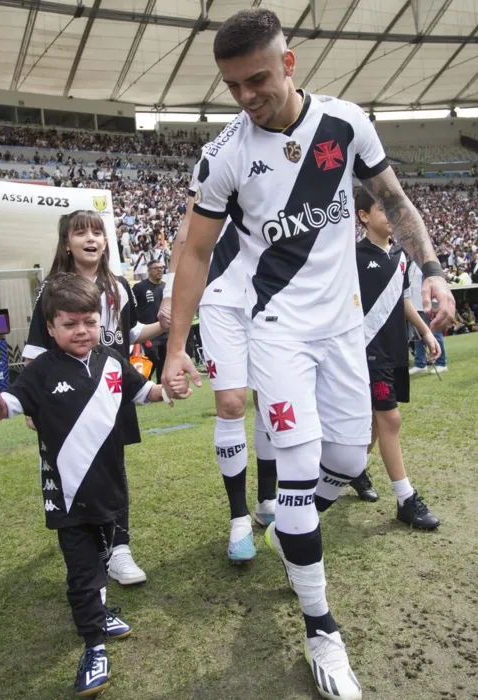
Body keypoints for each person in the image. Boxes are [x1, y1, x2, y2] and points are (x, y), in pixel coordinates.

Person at [161, 9, 454, 700]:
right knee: (296, 464)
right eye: (231, 85)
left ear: (287, 64)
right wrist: (176, 347)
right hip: (278, 332)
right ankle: (322, 630)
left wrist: (433, 265)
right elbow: (195, 250)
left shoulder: (347, 123)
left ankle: (284, 520)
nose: (244, 96)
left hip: (341, 329)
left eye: (256, 79)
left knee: (347, 461)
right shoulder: (226, 154)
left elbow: (393, 197)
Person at [0, 273, 190, 696]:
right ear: (51, 327)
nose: (81, 331)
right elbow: (0, 412)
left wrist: (169, 391)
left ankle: (99, 608)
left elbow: (142, 392)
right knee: (81, 572)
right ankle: (94, 645)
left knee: (102, 558)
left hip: (110, 492)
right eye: (70, 324)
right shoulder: (40, 373)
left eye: (89, 321)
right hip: (68, 498)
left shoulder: (112, 359)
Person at [23, 210, 164, 586]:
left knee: (113, 469)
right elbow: (36, 347)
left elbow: (130, 333)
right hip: (65, 401)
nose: (90, 239)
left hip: (112, 393)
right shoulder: (52, 288)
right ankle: (87, 543)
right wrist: (33, 406)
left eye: (97, 232)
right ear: (66, 243)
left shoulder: (119, 285)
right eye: (80, 232)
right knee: (74, 471)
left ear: (107, 241)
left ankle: (119, 550)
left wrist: (167, 322)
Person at [158, 164, 277, 563]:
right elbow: (188, 231)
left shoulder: (290, 148)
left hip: (273, 293)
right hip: (220, 296)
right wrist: (171, 289)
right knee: (231, 404)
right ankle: (239, 518)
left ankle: (268, 500)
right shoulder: (218, 155)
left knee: (272, 401)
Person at [350, 190, 441, 529]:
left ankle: (356, 470)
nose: (389, 214)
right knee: (390, 420)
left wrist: (426, 332)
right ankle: (406, 498)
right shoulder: (353, 256)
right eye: (380, 208)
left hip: (394, 351)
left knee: (376, 422)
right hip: (366, 351)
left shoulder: (401, 255)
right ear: (363, 216)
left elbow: (401, 300)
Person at [408, 261, 449, 375]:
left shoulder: (428, 262)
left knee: (435, 334)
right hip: (415, 305)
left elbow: (436, 284)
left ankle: (441, 363)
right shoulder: (412, 263)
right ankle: (420, 364)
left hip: (427, 305)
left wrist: (435, 305)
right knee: (418, 336)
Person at [133, 260, 168, 382]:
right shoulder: (139, 288)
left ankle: (161, 386)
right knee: (151, 359)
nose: (160, 270)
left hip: (164, 331)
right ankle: (144, 384)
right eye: (156, 268)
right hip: (148, 332)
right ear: (149, 271)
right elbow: (132, 308)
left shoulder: (166, 287)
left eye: (162, 268)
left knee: (164, 361)